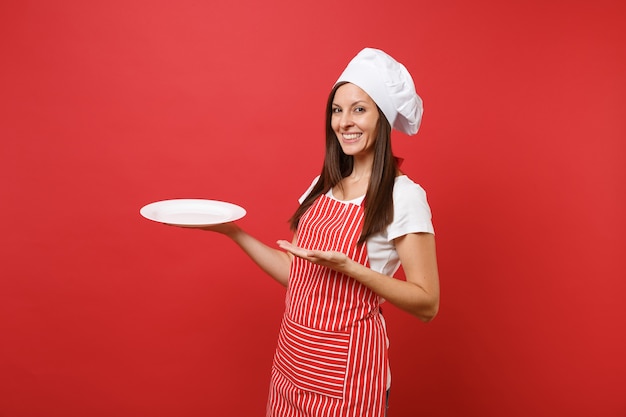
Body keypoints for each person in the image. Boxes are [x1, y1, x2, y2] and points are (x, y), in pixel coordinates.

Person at [199, 48, 439, 417]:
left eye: (359, 109)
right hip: (292, 365)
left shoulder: (403, 196)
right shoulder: (324, 185)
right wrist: (232, 232)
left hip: (348, 376)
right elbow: (300, 276)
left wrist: (351, 268)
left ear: (383, 118)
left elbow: (427, 304)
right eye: (337, 110)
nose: (344, 122)